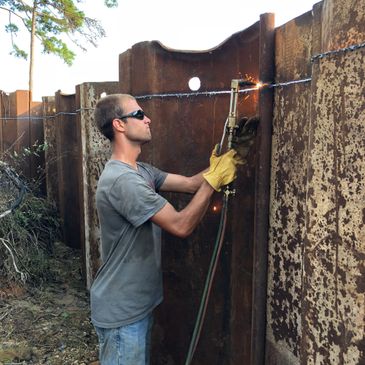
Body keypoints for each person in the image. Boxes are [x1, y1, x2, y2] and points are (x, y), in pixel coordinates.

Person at [90, 93, 242, 365]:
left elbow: (189, 183)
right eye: (138, 114)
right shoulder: (123, 181)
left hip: (135, 305)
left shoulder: (142, 172)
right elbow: (181, 225)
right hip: (122, 312)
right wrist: (214, 181)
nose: (147, 118)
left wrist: (225, 161)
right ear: (119, 125)